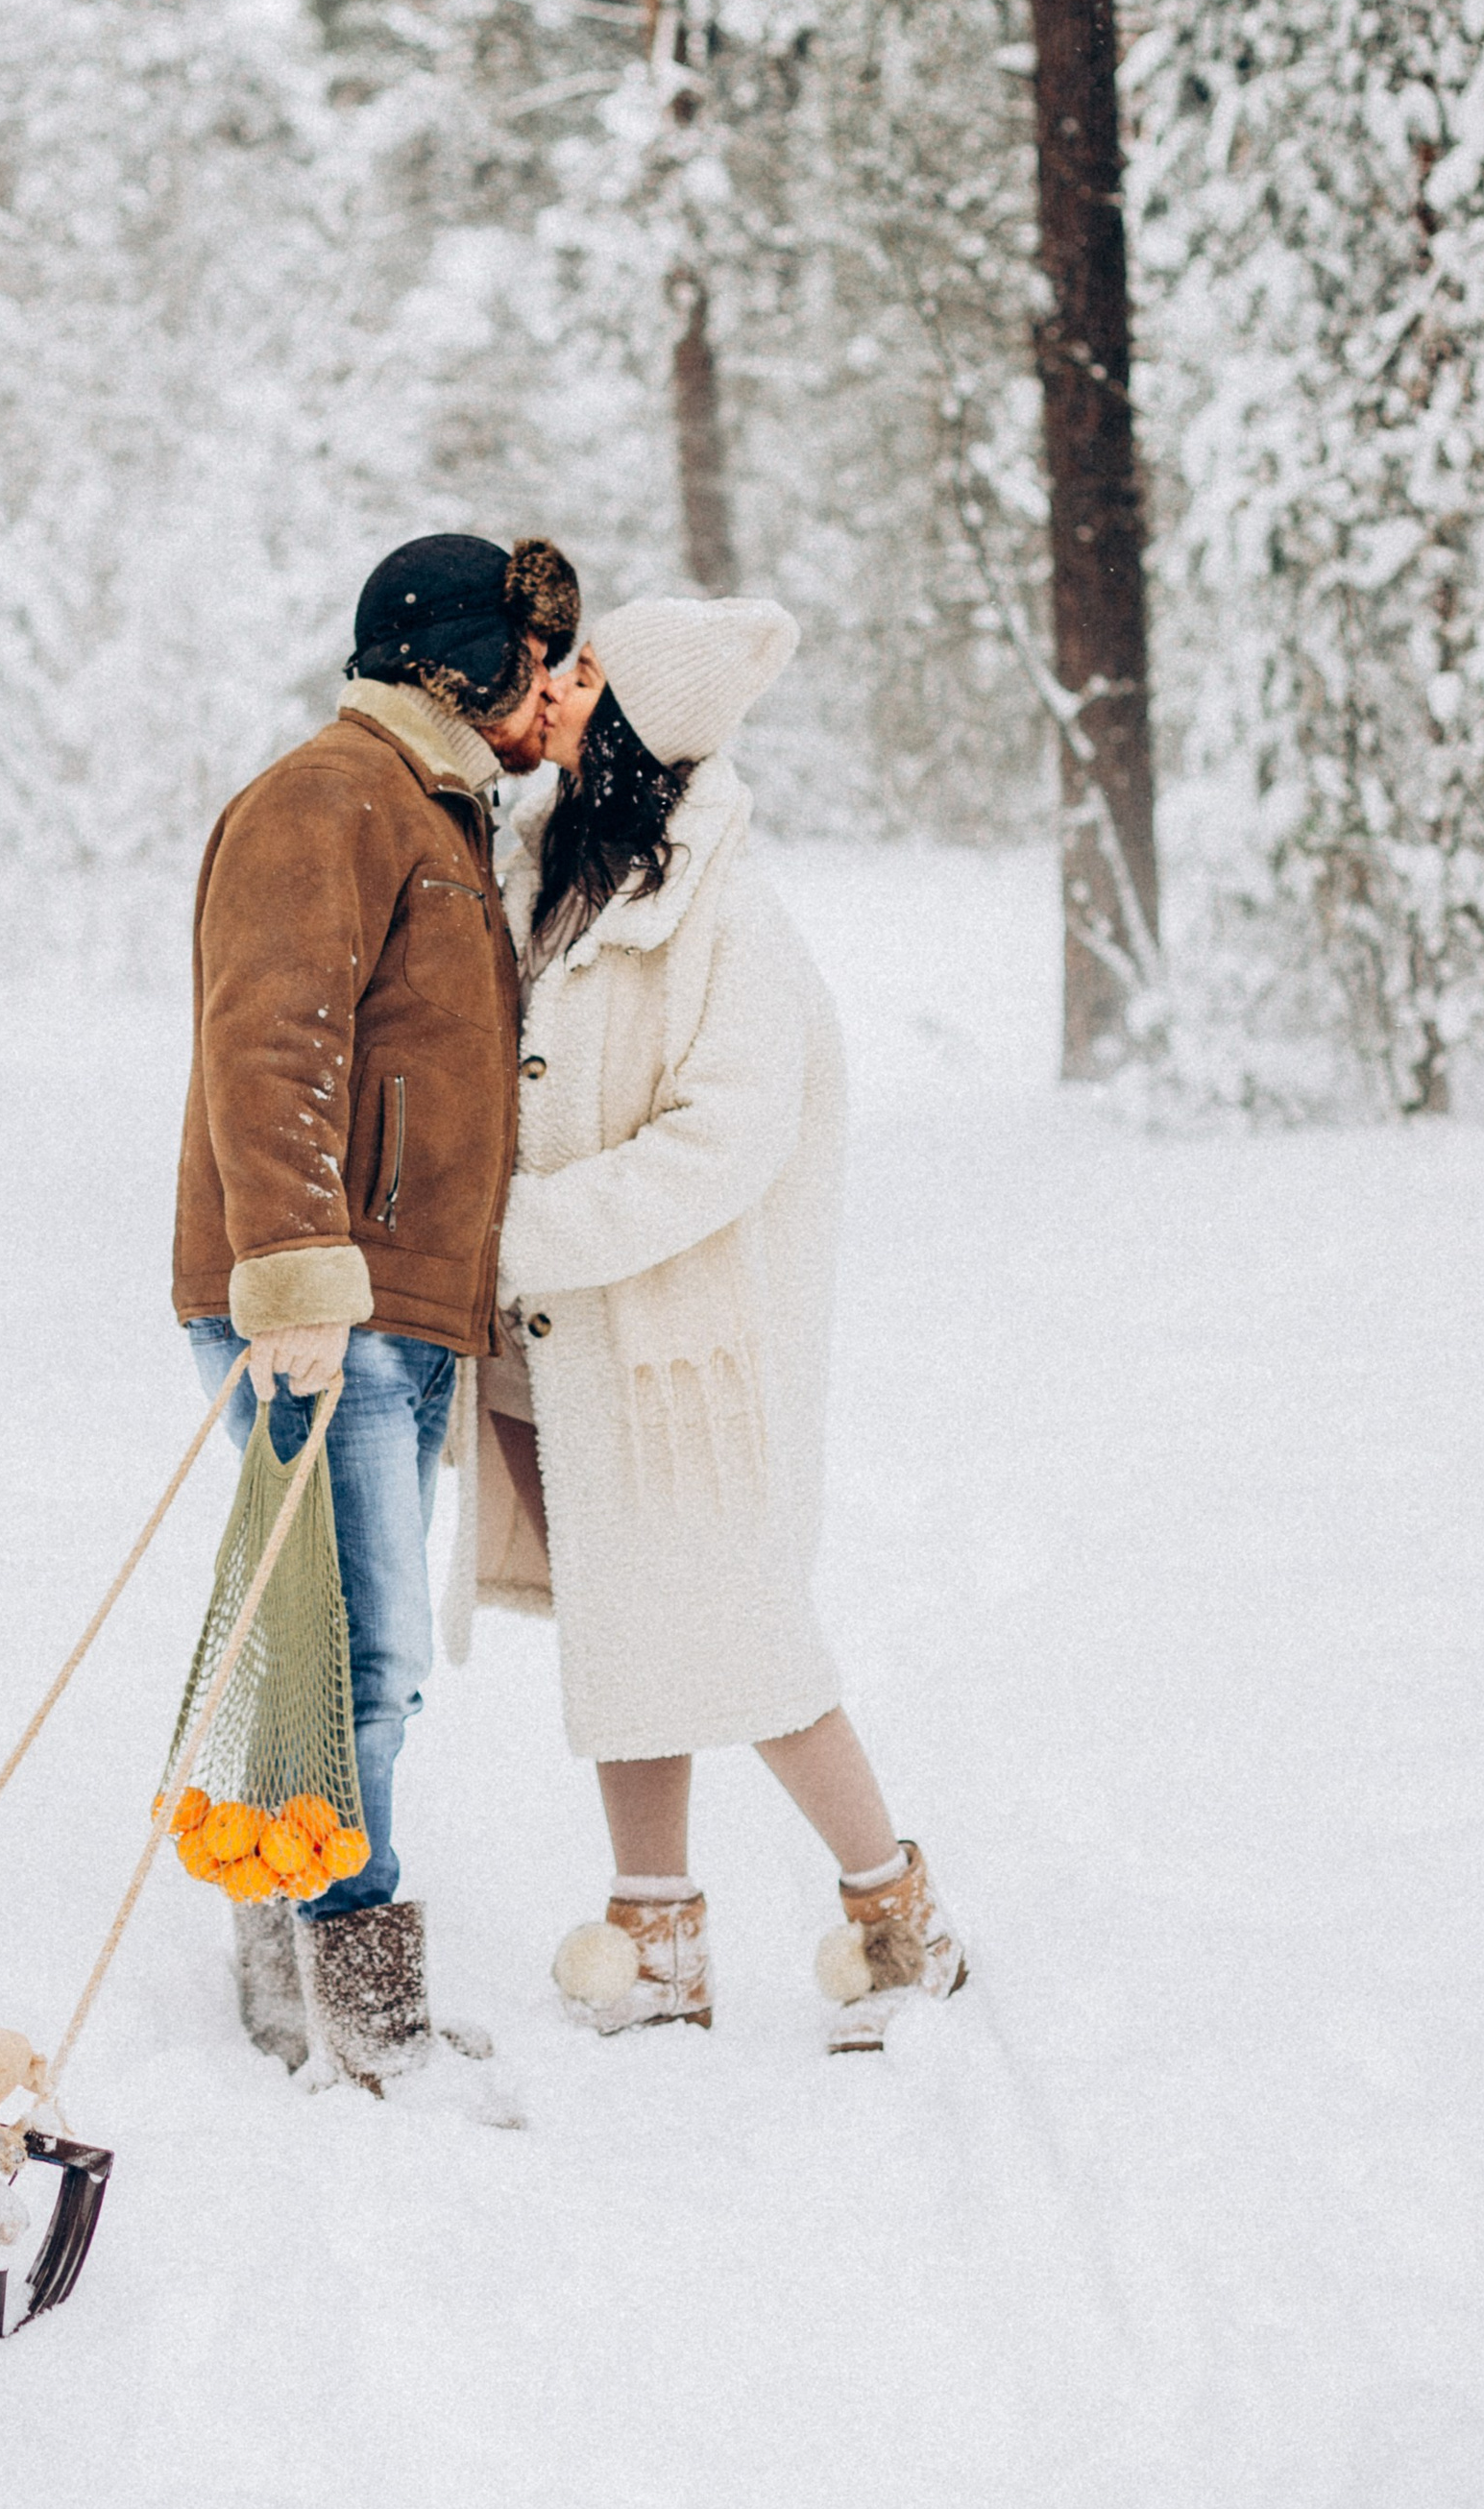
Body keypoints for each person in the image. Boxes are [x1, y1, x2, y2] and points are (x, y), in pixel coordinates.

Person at [441, 594, 968, 2053]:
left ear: (639, 725)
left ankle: (897, 1916)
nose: (551, 686)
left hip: (680, 1353)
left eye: (586, 674)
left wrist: (518, 1236)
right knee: (619, 1628)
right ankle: (655, 1931)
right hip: (559, 1343)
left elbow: (724, 1141)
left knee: (748, 1639)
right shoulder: (552, 869)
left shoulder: (724, 912)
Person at [175, 529, 582, 2085]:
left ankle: (290, 1955)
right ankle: (353, 1992)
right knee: (370, 1655)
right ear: (462, 664)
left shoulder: (433, 807)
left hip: (384, 1306)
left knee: (330, 1640)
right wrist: (290, 1282)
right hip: (322, 1304)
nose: (544, 688)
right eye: (531, 657)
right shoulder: (327, 798)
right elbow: (269, 1042)